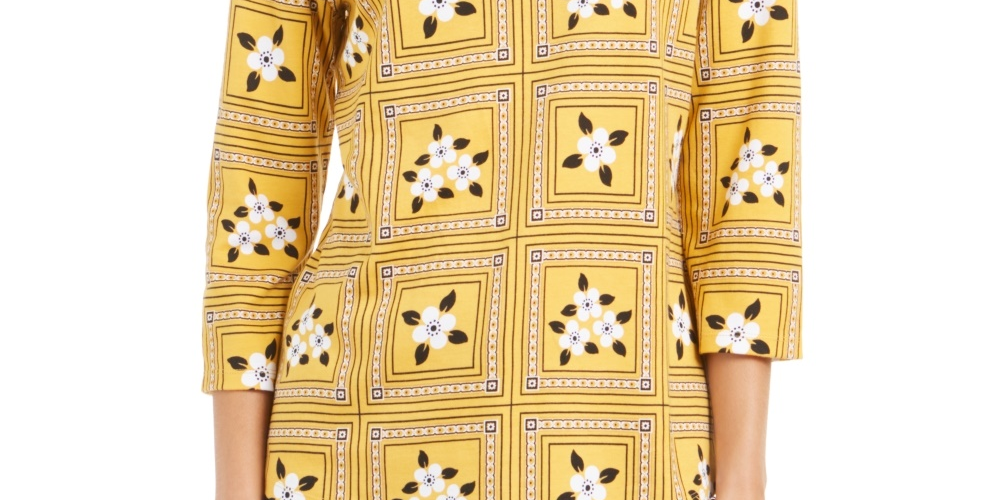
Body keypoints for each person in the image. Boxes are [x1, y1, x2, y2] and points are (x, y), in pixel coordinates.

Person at [201, 1, 803, 499]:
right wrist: (234, 489)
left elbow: (746, 194)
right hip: (361, 439)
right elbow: (258, 184)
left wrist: (744, 478)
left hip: (627, 440)